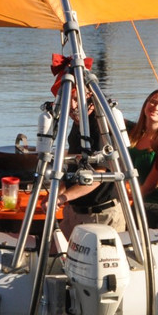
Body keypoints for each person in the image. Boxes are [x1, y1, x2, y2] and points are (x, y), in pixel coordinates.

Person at [55, 86, 127, 239]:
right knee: (53, 248)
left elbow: (98, 176)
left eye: (76, 99)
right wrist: (56, 194)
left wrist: (62, 198)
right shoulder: (78, 123)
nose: (72, 106)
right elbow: (73, 168)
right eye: (68, 100)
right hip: (74, 211)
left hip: (101, 216)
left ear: (90, 99)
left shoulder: (101, 126)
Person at [126, 89, 158, 204]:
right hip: (121, 194)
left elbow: (149, 188)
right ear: (145, 105)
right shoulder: (129, 132)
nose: (156, 107)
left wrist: (125, 200)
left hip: (146, 203)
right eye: (153, 102)